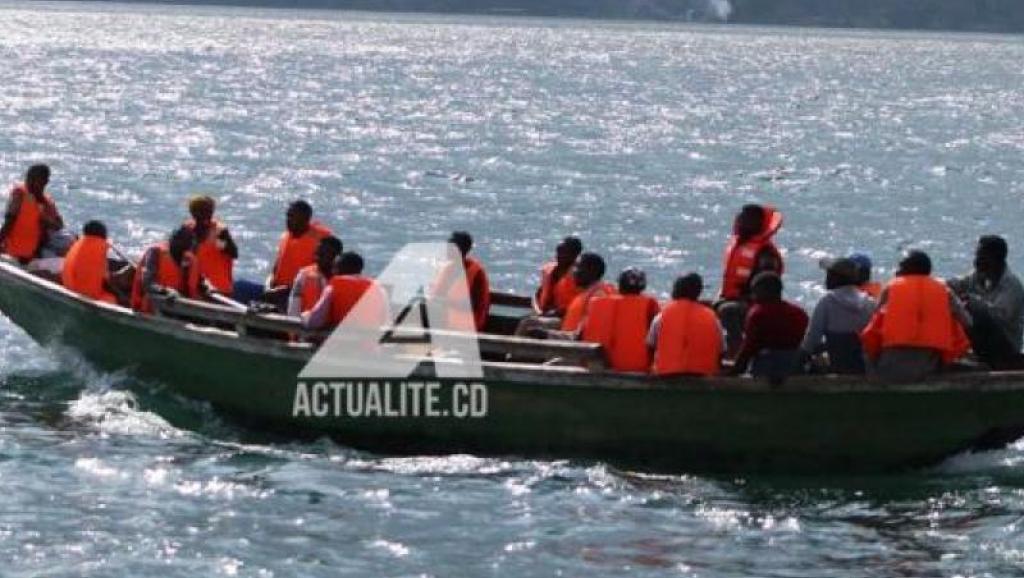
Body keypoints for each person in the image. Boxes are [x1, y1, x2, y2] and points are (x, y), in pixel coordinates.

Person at [860, 250, 972, 381]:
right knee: (953, 325)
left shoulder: (891, 288)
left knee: (871, 331)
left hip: (889, 368)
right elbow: (968, 322)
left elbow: (872, 323)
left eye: (900, 267)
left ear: (910, 269)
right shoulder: (944, 290)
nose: (897, 271)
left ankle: (872, 378)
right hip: (930, 368)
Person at [716, 204, 785, 355]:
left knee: (727, 310)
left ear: (758, 224)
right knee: (706, 308)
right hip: (734, 299)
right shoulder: (738, 245)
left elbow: (767, 290)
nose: (741, 221)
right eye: (740, 217)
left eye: (747, 219)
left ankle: (738, 352)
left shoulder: (766, 254)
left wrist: (744, 298)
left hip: (756, 304)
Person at [947, 236, 1024, 369]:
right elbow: (954, 285)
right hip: (982, 345)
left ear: (996, 259)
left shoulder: (1011, 285)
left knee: (972, 308)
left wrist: (975, 303)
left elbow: (1000, 317)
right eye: (977, 255)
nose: (977, 260)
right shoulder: (977, 277)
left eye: (982, 256)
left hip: (1005, 349)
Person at [799, 257, 876, 374]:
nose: (826, 278)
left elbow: (812, 339)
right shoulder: (870, 303)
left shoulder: (827, 301)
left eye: (829, 274)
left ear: (836, 278)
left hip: (838, 365)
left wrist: (799, 358)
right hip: (864, 367)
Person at [730, 272, 809, 383]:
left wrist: (734, 371)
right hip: (795, 367)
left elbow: (749, 348)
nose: (753, 296)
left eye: (755, 292)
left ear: (764, 291)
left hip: (767, 368)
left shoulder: (758, 313)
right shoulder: (799, 313)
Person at [579, 268, 660, 373]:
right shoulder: (650, 306)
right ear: (642, 287)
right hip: (637, 370)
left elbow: (580, 335)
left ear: (619, 285)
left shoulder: (596, 303)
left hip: (598, 368)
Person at [648, 273, 724, 377]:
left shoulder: (662, 316)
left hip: (668, 376)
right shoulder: (712, 317)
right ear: (698, 293)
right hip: (702, 377)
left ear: (676, 291)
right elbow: (722, 350)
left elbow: (650, 346)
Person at [265, 200, 333, 309]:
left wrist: (283, 290)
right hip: (276, 291)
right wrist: (268, 286)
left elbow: (322, 276)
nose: (288, 220)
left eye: (293, 217)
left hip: (298, 296)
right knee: (241, 286)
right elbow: (275, 269)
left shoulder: (321, 241)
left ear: (306, 219)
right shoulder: (286, 236)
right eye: (288, 216)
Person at [302, 251, 388, 330]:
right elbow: (386, 322)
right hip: (368, 343)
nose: (332, 271)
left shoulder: (334, 286)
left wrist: (305, 316)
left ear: (342, 268)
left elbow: (315, 321)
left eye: (335, 267)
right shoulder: (378, 288)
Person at [130, 226, 203, 314]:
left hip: (179, 309)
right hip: (151, 308)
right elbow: (147, 283)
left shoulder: (188, 259)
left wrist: (207, 286)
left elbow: (199, 281)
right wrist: (166, 291)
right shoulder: (155, 252)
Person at [0, 164, 64, 263]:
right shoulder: (20, 193)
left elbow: (59, 225)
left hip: (32, 253)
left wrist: (46, 220)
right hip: (14, 251)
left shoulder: (47, 202)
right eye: (28, 178)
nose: (29, 181)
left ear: (45, 182)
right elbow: (10, 221)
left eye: (34, 179)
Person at [433, 231, 490, 331]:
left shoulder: (476, 272)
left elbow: (473, 305)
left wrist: (446, 302)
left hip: (468, 326)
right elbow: (438, 295)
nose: (447, 249)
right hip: (447, 321)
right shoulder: (449, 269)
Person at [184, 195, 237, 296]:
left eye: (207, 212)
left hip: (218, 291)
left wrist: (221, 244)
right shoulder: (187, 230)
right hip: (193, 289)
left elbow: (233, 253)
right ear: (193, 213)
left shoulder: (220, 232)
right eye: (199, 212)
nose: (204, 216)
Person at [62, 221, 118, 304]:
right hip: (87, 295)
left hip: (70, 288)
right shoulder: (99, 247)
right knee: (113, 299)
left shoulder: (78, 244)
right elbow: (106, 280)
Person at [560, 252, 616, 334]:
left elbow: (580, 335)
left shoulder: (598, 296)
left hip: (579, 345)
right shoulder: (588, 293)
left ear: (592, 271)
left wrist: (549, 335)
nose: (573, 271)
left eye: (578, 267)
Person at [287, 236, 342, 317]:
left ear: (336, 256)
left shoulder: (343, 279)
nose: (317, 258)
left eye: (323, 254)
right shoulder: (304, 275)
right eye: (317, 253)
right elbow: (294, 305)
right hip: (305, 324)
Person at [534, 236, 583, 317]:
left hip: (564, 318)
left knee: (530, 324)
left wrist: (552, 314)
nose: (558, 255)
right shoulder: (549, 270)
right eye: (558, 251)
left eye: (564, 252)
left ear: (575, 254)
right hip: (543, 314)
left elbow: (580, 305)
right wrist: (537, 310)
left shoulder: (579, 277)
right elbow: (538, 294)